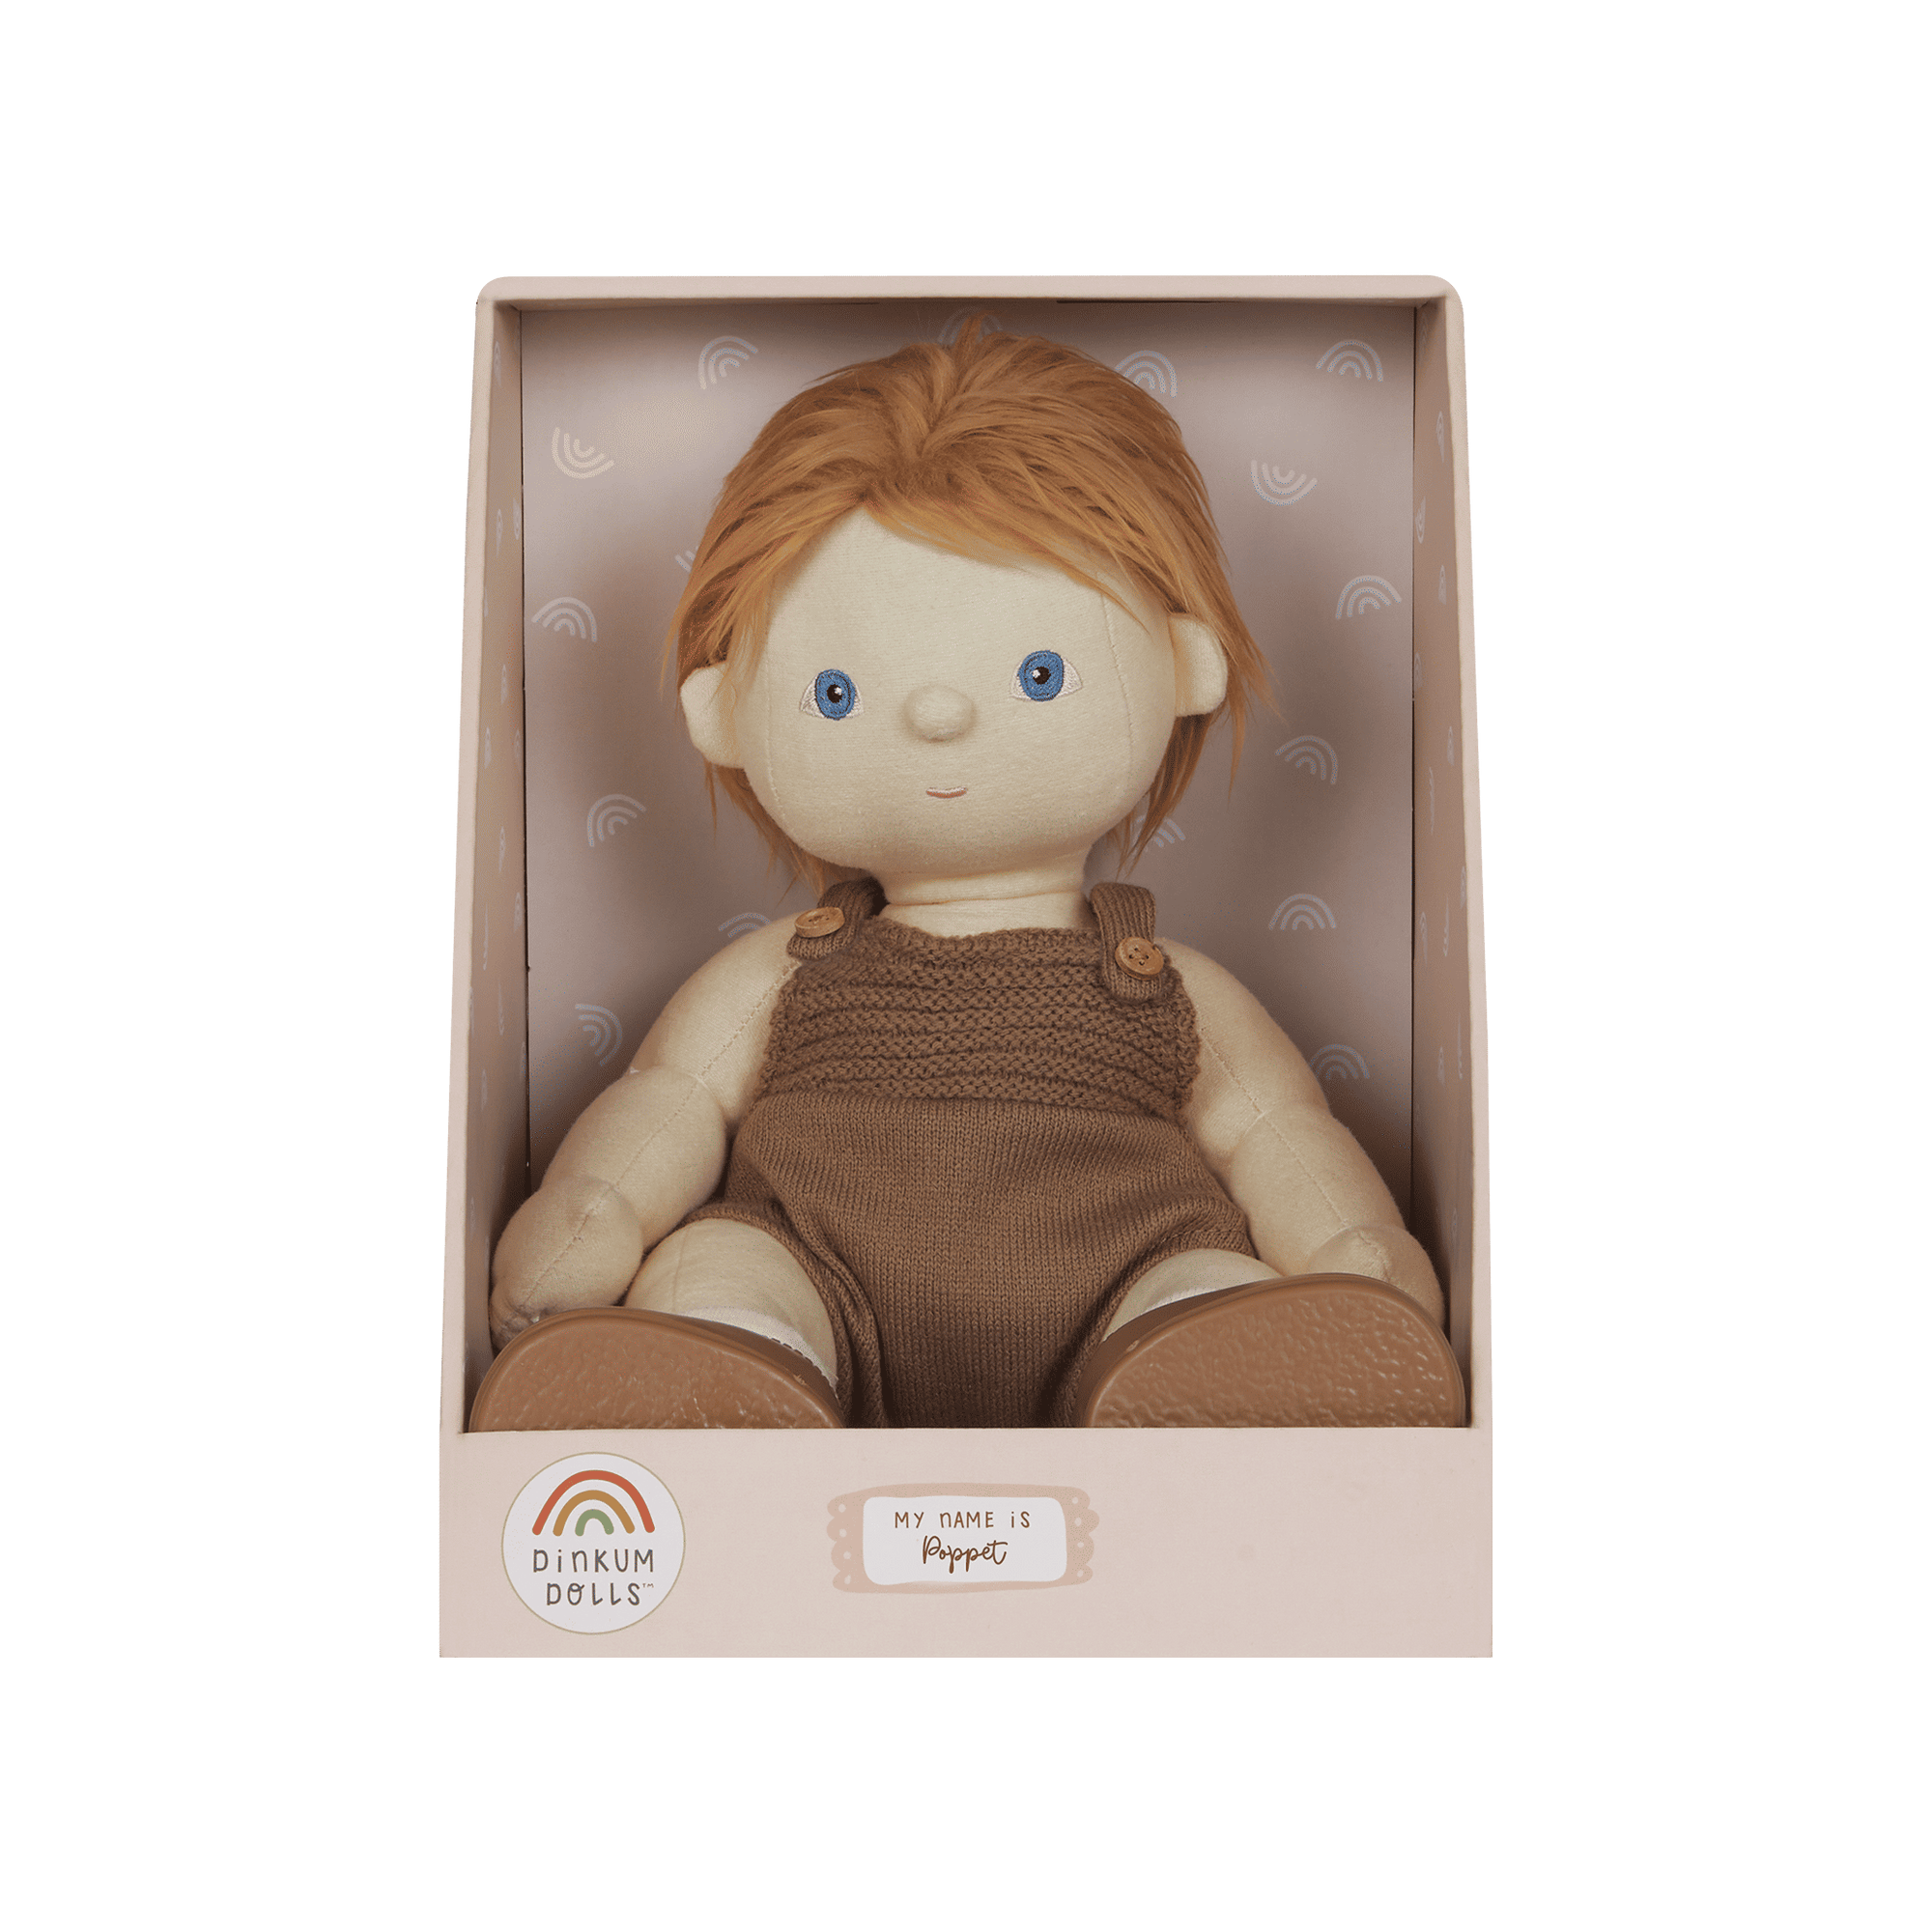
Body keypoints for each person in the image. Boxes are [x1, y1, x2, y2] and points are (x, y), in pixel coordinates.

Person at [471, 322, 1462, 1431]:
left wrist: (1349, 1255)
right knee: (719, 1275)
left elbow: (1271, 1127)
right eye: (836, 693)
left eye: (1040, 674)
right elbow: (672, 1100)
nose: (936, 716)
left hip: (1124, 1284)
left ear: (1183, 661)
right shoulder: (787, 972)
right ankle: (738, 1361)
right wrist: (594, 1212)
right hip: (813, 1272)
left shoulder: (1164, 987)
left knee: (1207, 1294)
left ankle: (1216, 1378)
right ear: (724, 718)